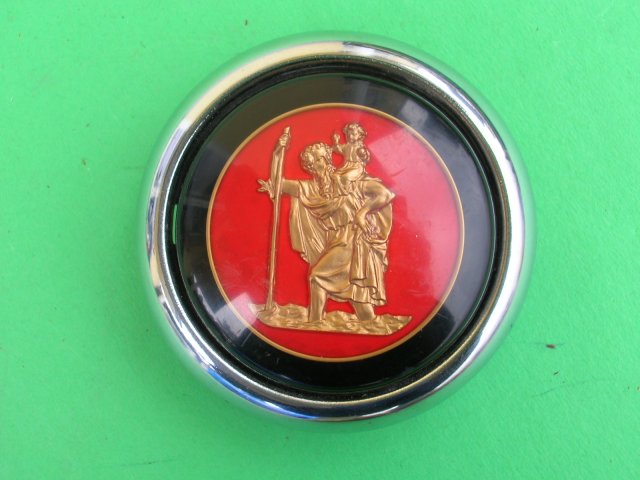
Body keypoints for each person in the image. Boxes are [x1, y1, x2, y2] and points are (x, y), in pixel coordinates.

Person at [259, 139, 395, 323]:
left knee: (317, 278)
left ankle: (314, 323)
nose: (318, 165)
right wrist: (277, 153)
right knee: (359, 302)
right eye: (313, 163)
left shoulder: (347, 181)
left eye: (320, 159)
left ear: (328, 160)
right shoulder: (309, 189)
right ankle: (370, 325)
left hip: (354, 240)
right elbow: (278, 184)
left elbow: (385, 194)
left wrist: (362, 213)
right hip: (335, 241)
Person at [332, 122, 371, 195]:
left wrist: (363, 155)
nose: (350, 136)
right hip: (346, 166)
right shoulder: (347, 146)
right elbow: (338, 149)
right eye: (348, 134)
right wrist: (336, 141)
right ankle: (338, 193)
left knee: (346, 177)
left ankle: (349, 193)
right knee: (334, 175)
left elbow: (366, 158)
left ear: (359, 135)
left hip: (356, 167)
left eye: (353, 134)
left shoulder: (360, 147)